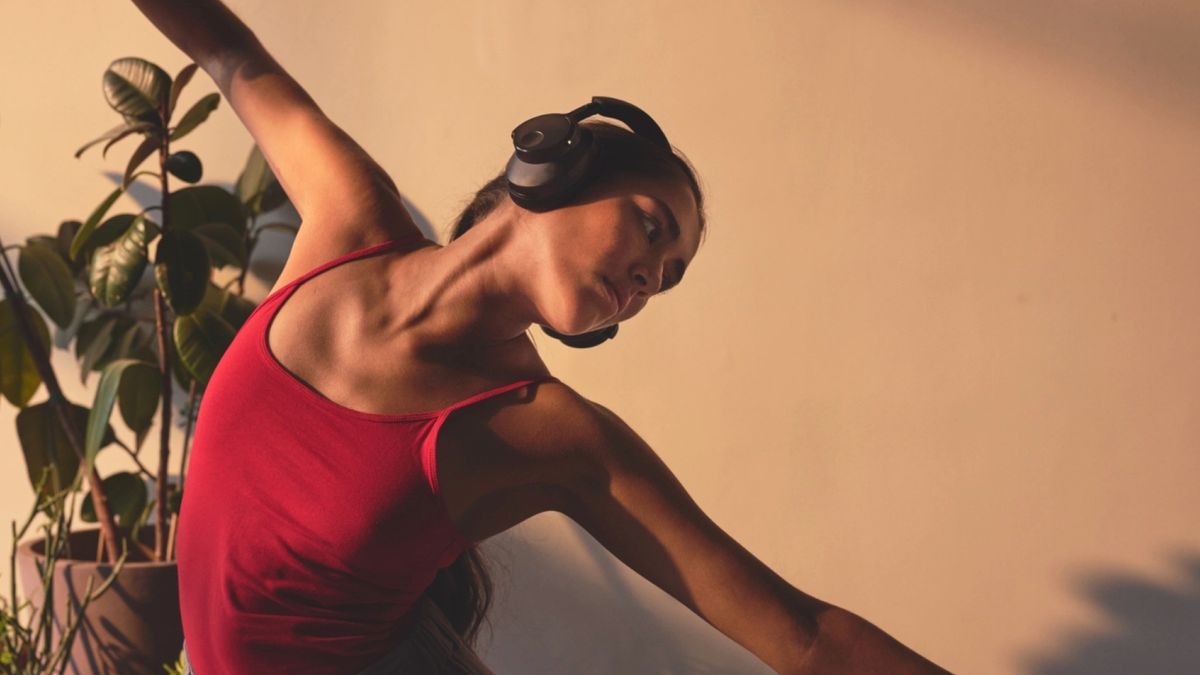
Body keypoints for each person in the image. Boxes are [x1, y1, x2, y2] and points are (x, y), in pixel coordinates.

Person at [132, 1, 953, 673]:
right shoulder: (348, 221)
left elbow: (802, 637)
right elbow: (227, 51)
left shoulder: (547, 429)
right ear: (552, 165)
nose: (647, 281)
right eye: (652, 229)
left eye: (666, 278)